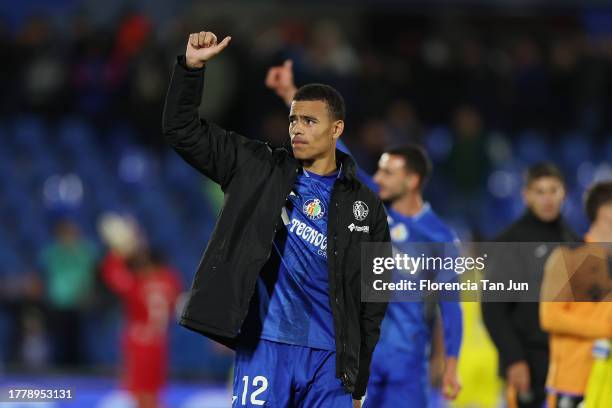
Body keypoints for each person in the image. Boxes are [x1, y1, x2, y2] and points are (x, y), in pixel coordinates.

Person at [163, 31, 391, 408]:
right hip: (266, 345)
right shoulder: (257, 167)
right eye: (293, 119)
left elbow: (373, 298)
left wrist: (358, 376)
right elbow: (181, 130)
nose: (297, 128)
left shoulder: (364, 206)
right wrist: (191, 68)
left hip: (331, 361)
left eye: (309, 121)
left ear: (337, 130)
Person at [266, 60, 462, 407]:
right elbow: (338, 149)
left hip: (407, 360)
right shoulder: (370, 203)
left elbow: (450, 306)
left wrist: (451, 365)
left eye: (389, 173)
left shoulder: (439, 237)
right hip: (360, 353)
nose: (380, 178)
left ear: (412, 181)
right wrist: (289, 95)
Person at [481, 162, 579, 408]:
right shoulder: (509, 242)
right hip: (527, 365)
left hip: (568, 366)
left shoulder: (574, 242)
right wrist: (514, 359)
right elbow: (493, 310)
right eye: (540, 191)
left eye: (553, 190)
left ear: (564, 193)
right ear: (526, 196)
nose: (547, 199)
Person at [539, 181, 612, 408]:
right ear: (605, 212)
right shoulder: (567, 258)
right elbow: (550, 316)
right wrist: (605, 329)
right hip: (575, 383)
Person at [101, 248, 181, 408]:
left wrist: (118, 253)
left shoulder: (138, 284)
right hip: (160, 342)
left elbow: (112, 275)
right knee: (155, 393)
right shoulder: (171, 281)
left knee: (141, 393)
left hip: (140, 343)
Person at [39, 218, 98, 367]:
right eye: (65, 233)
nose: (69, 236)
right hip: (58, 303)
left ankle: (81, 372)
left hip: (81, 303)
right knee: (59, 342)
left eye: (72, 233)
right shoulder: (51, 252)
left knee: (79, 342)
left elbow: (97, 274)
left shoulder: (87, 251)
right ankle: (58, 372)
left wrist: (89, 292)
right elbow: (42, 275)